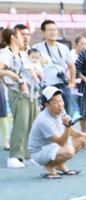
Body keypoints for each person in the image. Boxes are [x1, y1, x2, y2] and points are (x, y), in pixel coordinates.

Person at [28, 86, 86, 178]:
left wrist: (82, 134)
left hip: (53, 146)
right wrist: (67, 126)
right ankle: (49, 168)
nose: (60, 104)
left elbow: (69, 130)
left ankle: (59, 165)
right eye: (55, 102)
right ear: (47, 105)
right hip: (39, 151)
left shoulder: (61, 110)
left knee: (82, 140)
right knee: (69, 151)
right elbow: (61, 142)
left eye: (61, 100)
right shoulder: (44, 120)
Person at [0, 27, 39, 168]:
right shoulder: (6, 53)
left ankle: (27, 155)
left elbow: (31, 70)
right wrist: (15, 77)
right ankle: (14, 156)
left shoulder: (22, 54)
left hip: (31, 92)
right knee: (21, 124)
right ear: (13, 38)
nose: (24, 38)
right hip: (17, 92)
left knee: (31, 124)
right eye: (21, 35)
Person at [34, 20, 76, 113]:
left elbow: (72, 66)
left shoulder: (63, 47)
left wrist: (72, 82)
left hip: (63, 85)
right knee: (48, 114)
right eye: (49, 30)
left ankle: (66, 128)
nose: (53, 32)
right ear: (44, 32)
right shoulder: (37, 48)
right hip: (46, 86)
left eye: (54, 30)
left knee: (67, 113)